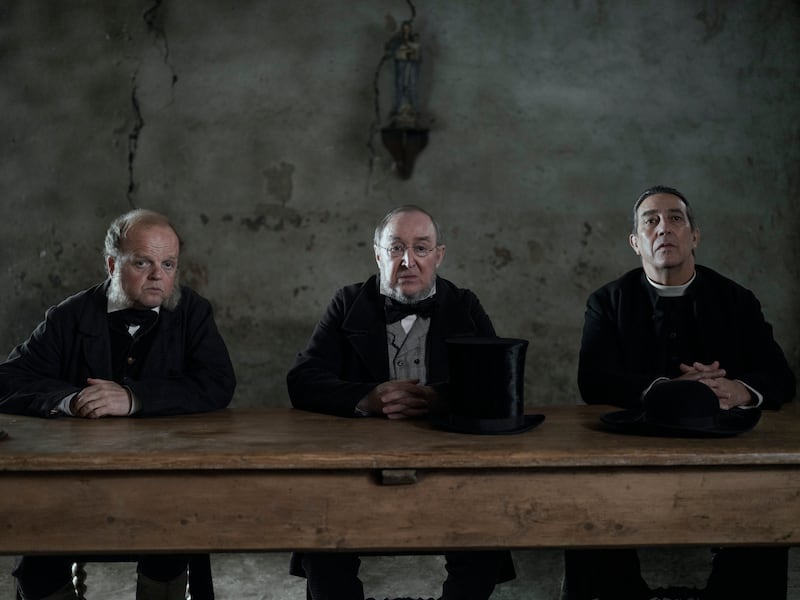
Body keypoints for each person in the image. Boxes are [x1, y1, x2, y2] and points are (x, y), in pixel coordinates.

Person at [565, 186, 796, 600]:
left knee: (766, 503)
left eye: (676, 219)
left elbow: (780, 377)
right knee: (585, 503)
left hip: (725, 447)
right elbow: (593, 381)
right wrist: (671, 391)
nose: (663, 229)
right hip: (631, 443)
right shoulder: (606, 301)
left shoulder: (737, 300)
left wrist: (736, 389)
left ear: (694, 236)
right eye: (650, 221)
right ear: (636, 242)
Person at [0, 209, 236, 600]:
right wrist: (68, 400)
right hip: (76, 481)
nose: (158, 275)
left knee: (169, 551)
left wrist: (134, 398)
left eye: (168, 264)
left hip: (162, 478)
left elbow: (217, 383)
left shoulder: (192, 312)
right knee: (37, 567)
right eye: (142, 262)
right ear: (112, 264)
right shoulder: (70, 315)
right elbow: (7, 379)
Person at [286, 205, 515, 600]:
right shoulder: (347, 302)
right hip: (356, 466)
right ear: (377, 254)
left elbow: (495, 381)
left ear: (438, 255)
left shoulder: (464, 304)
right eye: (396, 249)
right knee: (322, 537)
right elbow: (302, 380)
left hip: (450, 464)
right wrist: (366, 398)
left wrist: (438, 399)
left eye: (421, 248)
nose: (408, 261)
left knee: (484, 531)